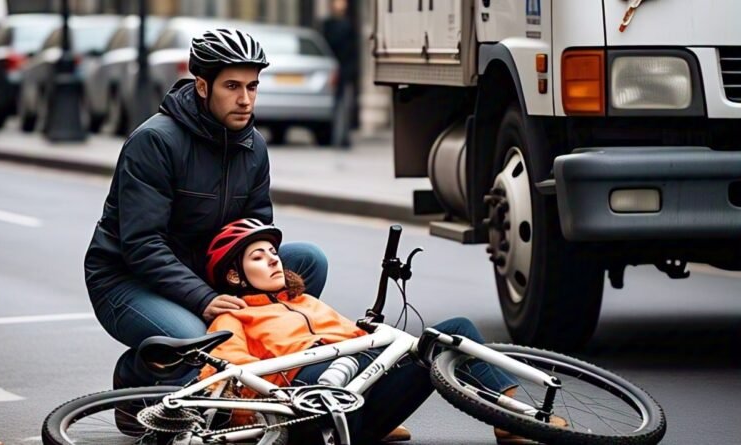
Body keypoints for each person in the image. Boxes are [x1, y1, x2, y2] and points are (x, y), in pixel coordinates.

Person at [83, 29, 328, 391]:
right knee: (200, 342)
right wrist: (205, 298)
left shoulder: (253, 146)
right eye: (232, 86)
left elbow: (255, 228)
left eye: (252, 87)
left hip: (211, 271)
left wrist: (256, 280)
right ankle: (138, 372)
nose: (245, 99)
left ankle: (268, 359)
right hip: (129, 279)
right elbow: (142, 244)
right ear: (202, 86)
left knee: (308, 260)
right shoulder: (155, 141)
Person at [200, 219, 547, 444]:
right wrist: (269, 405)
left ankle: (512, 419)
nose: (274, 259)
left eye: (274, 253)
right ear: (234, 276)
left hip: (358, 382)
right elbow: (224, 375)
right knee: (332, 373)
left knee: (454, 331)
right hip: (309, 401)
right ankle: (351, 413)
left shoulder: (306, 301)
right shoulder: (236, 316)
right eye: (258, 257)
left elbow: (356, 340)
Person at [321, 0, 358, 148]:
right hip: (331, 69)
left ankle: (343, 137)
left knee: (345, 105)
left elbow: (352, 51)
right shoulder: (328, 25)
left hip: (344, 70)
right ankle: (335, 137)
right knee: (335, 105)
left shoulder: (348, 25)